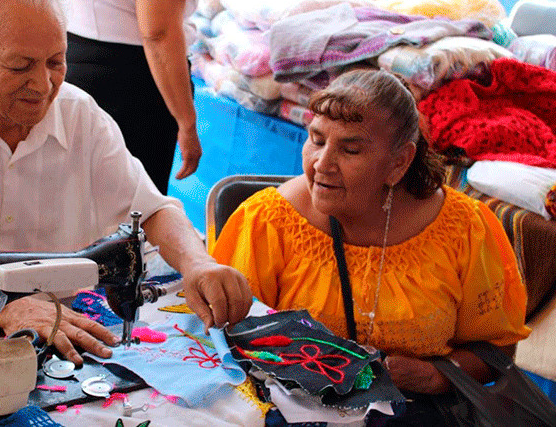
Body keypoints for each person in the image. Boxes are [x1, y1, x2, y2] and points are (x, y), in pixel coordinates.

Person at [0, 0, 251, 366]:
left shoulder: (80, 115)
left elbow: (153, 210)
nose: (43, 84)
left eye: (56, 62)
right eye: (21, 66)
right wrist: (2, 306)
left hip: (62, 341)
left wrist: (197, 263)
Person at [211, 69, 529, 421]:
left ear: (399, 162)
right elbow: (227, 342)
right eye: (316, 140)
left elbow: (496, 349)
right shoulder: (269, 222)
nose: (322, 164)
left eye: (350, 150)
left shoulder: (463, 229)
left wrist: (438, 376)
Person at [59, 0, 202, 194]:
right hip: (130, 81)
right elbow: (158, 33)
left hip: (75, 57)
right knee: (132, 205)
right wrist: (187, 123)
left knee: (77, 194)